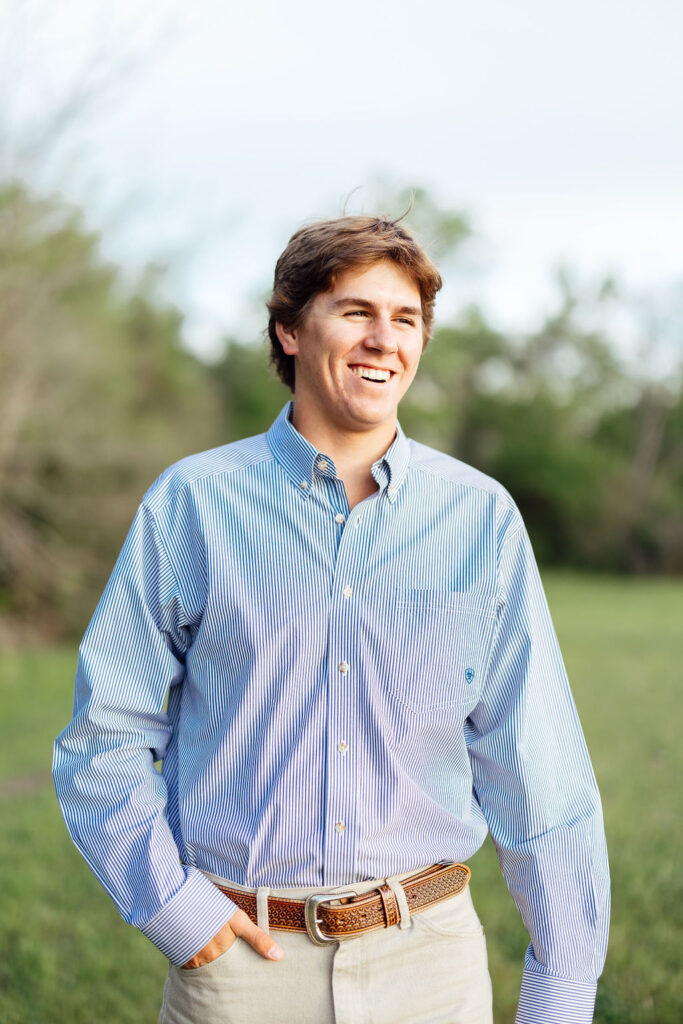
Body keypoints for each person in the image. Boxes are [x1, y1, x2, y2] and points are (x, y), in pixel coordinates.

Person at [53, 213, 610, 1024]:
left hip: (431, 964)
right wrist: (177, 910)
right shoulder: (191, 505)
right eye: (356, 312)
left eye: (406, 319)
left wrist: (560, 992)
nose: (385, 339)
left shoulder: (479, 518)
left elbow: (538, 768)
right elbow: (105, 734)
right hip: (241, 963)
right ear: (287, 329)